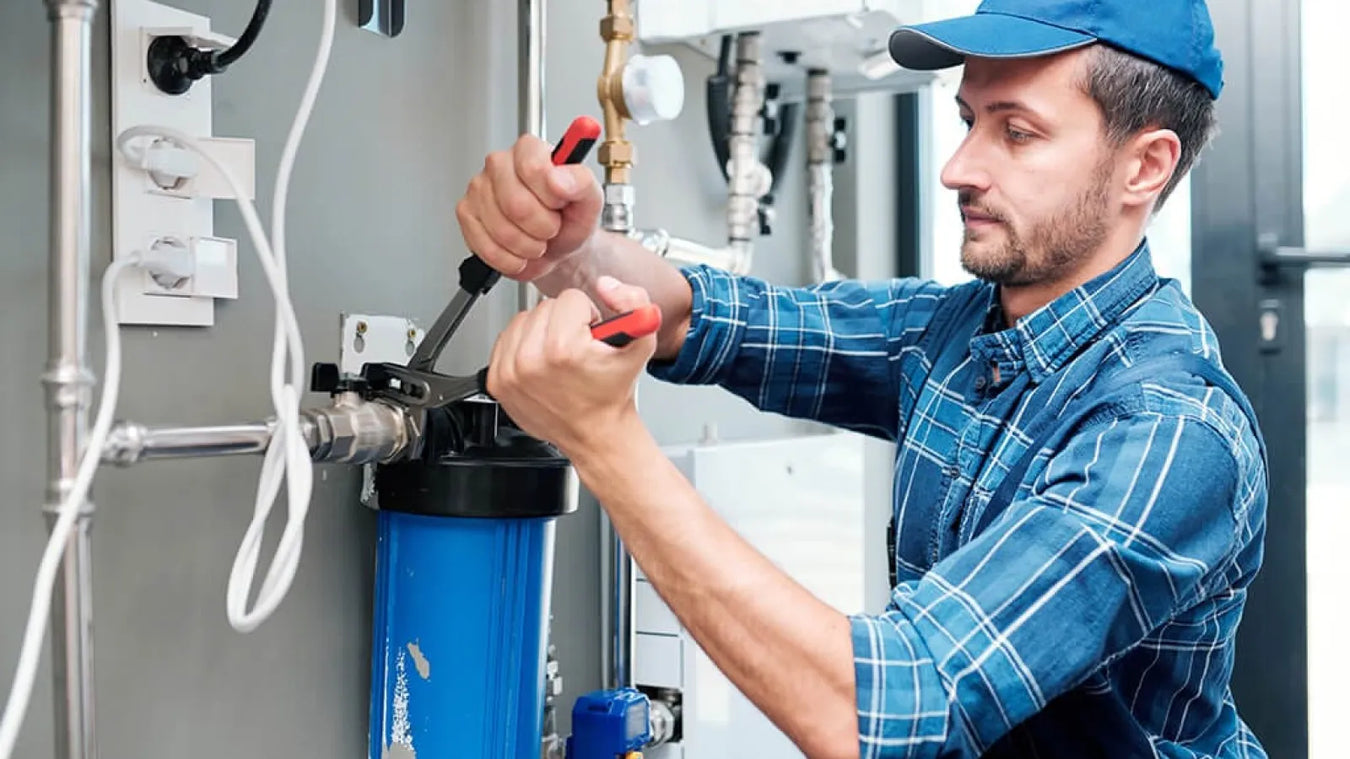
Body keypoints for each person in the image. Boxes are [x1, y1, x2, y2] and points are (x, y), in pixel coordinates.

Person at [456, 0, 1268, 755]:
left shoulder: (1169, 429)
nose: (958, 168)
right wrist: (570, 252)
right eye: (968, 122)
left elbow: (889, 709)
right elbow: (703, 317)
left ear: (1144, 166)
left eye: (1017, 133)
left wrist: (605, 443)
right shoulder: (955, 330)